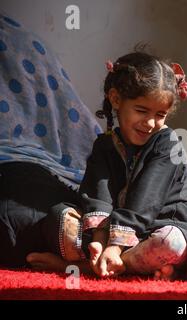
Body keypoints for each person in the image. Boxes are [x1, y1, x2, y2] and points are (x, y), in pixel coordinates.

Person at [27, 51, 187, 281]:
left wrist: (115, 247)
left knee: (169, 243)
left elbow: (145, 202)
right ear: (116, 99)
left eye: (160, 114)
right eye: (141, 110)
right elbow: (98, 195)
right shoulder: (105, 145)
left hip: (162, 226)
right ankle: (124, 264)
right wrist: (100, 241)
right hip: (115, 229)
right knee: (60, 218)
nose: (150, 123)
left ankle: (84, 266)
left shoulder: (167, 144)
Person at [0, 11, 100, 268]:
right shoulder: (26, 40)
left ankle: (82, 247)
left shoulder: (21, 40)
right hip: (71, 179)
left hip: (37, 184)